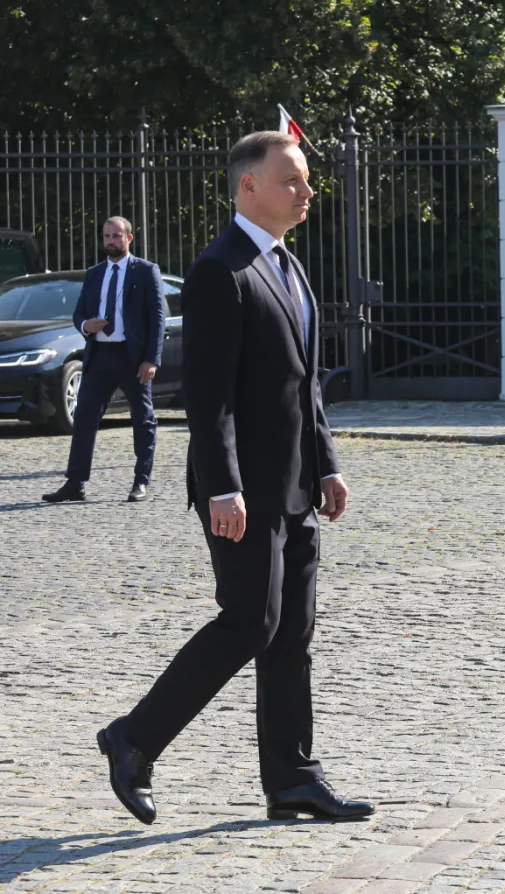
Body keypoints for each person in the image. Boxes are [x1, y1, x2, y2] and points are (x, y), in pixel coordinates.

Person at [95, 131, 374, 826]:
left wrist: (328, 463)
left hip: (298, 485)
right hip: (242, 491)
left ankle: (293, 778)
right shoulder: (220, 270)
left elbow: (304, 387)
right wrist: (222, 486)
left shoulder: (288, 265)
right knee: (251, 619)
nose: (306, 192)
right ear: (248, 186)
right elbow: (209, 397)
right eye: (292, 180)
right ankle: (134, 737)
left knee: (291, 633)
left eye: (307, 181)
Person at [42, 218, 164, 504]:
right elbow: (78, 313)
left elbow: (158, 319)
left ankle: (140, 481)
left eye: (116, 236)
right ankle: (75, 483)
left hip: (132, 358)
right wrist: (86, 325)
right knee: (84, 418)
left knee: (143, 419)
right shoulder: (95, 273)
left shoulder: (145, 271)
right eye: (106, 236)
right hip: (99, 355)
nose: (110, 241)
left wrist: (151, 359)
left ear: (129, 238)